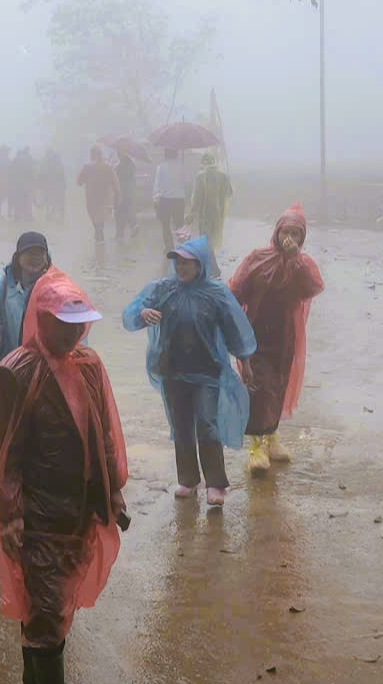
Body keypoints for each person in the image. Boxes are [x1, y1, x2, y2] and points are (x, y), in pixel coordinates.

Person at [0, 268, 127, 684]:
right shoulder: (16, 372)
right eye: (60, 324)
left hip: (78, 505)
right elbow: (6, 453)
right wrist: (9, 514)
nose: (70, 333)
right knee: (46, 606)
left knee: (53, 599)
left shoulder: (88, 365)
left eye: (76, 324)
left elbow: (102, 432)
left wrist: (114, 493)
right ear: (40, 320)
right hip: (37, 510)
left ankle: (36, 678)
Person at [123, 235, 256, 507]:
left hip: (207, 371)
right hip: (172, 370)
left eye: (187, 263)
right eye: (177, 262)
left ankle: (216, 484)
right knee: (181, 427)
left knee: (207, 425)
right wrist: (143, 313)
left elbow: (235, 329)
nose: (181, 268)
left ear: (201, 264)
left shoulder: (216, 293)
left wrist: (246, 362)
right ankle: (188, 479)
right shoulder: (163, 289)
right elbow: (131, 313)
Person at [230, 205, 326, 475]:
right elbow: (235, 289)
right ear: (277, 231)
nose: (290, 238)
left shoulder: (302, 265)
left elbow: (313, 288)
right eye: (287, 231)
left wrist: (296, 260)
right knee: (257, 389)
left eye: (297, 234)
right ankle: (255, 447)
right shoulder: (257, 258)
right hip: (256, 333)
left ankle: (272, 438)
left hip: (284, 336)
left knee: (277, 387)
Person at [0, 232, 53, 400]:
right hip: (4, 368)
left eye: (39, 253)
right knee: (0, 421)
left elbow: (72, 329)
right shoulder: (0, 286)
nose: (35, 258)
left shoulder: (55, 288)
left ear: (46, 258)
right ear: (18, 257)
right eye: (29, 253)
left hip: (42, 371)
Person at [188, 151, 235, 253]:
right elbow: (230, 193)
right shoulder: (223, 176)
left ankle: (207, 259)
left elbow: (197, 197)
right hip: (219, 213)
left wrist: (191, 213)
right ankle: (211, 257)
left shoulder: (200, 176)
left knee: (205, 238)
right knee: (215, 237)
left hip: (204, 214)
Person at [76, 147, 120, 243]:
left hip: (91, 197)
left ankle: (98, 232)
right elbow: (115, 182)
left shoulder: (87, 167)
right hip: (105, 197)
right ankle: (99, 231)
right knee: (102, 215)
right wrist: (117, 192)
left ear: (91, 154)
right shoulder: (108, 167)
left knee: (94, 215)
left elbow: (79, 181)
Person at [152, 149, 188, 255]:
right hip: (179, 199)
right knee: (179, 224)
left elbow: (157, 184)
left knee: (165, 225)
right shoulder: (182, 166)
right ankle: (183, 247)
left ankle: (169, 247)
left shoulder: (161, 167)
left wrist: (155, 199)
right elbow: (186, 181)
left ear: (165, 155)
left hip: (165, 200)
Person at [114, 149, 138, 238]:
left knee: (120, 213)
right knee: (125, 211)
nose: (118, 156)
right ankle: (132, 227)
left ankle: (121, 233)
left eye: (118, 154)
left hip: (121, 193)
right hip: (129, 193)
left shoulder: (120, 166)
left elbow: (117, 178)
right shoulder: (131, 164)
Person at [10, 147, 37, 224]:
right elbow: (31, 172)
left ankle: (17, 216)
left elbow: (11, 173)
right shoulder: (28, 161)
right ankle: (27, 216)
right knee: (27, 201)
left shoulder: (16, 161)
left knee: (18, 200)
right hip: (25, 184)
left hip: (18, 185)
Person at [40, 149, 67, 223]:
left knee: (54, 201)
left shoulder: (52, 165)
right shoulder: (57, 165)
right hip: (57, 186)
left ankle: (53, 214)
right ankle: (57, 215)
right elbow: (61, 176)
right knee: (57, 201)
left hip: (55, 186)